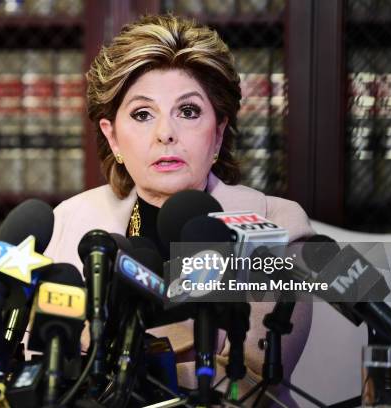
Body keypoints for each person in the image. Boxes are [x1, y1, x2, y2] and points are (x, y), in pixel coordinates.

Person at [43, 14, 314, 405]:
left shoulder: (280, 224)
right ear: (112, 136)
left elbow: (251, 381)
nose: (165, 133)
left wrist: (107, 364)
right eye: (142, 114)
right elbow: (41, 358)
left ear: (218, 133)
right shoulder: (69, 221)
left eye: (187, 111)